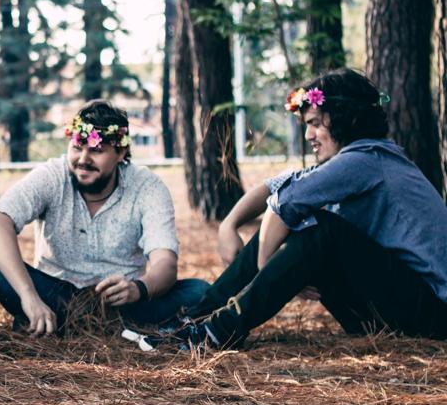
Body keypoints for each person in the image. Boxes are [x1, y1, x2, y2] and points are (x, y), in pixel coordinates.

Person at [160, 68, 447, 349]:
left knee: (319, 228)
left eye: (316, 123)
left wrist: (265, 266)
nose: (309, 135)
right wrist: (229, 224)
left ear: (345, 118)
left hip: (431, 315)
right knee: (299, 221)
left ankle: (217, 330)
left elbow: (286, 201)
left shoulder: (365, 160)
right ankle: (197, 318)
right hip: (392, 308)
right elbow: (277, 187)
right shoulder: (360, 160)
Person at [0, 100, 208, 336]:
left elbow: (165, 263)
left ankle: (69, 329)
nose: (83, 159)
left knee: (200, 292)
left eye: (96, 150)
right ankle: (76, 323)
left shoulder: (147, 187)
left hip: (123, 303)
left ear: (121, 152)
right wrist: (29, 297)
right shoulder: (53, 175)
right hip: (56, 296)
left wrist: (138, 288)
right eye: (77, 147)